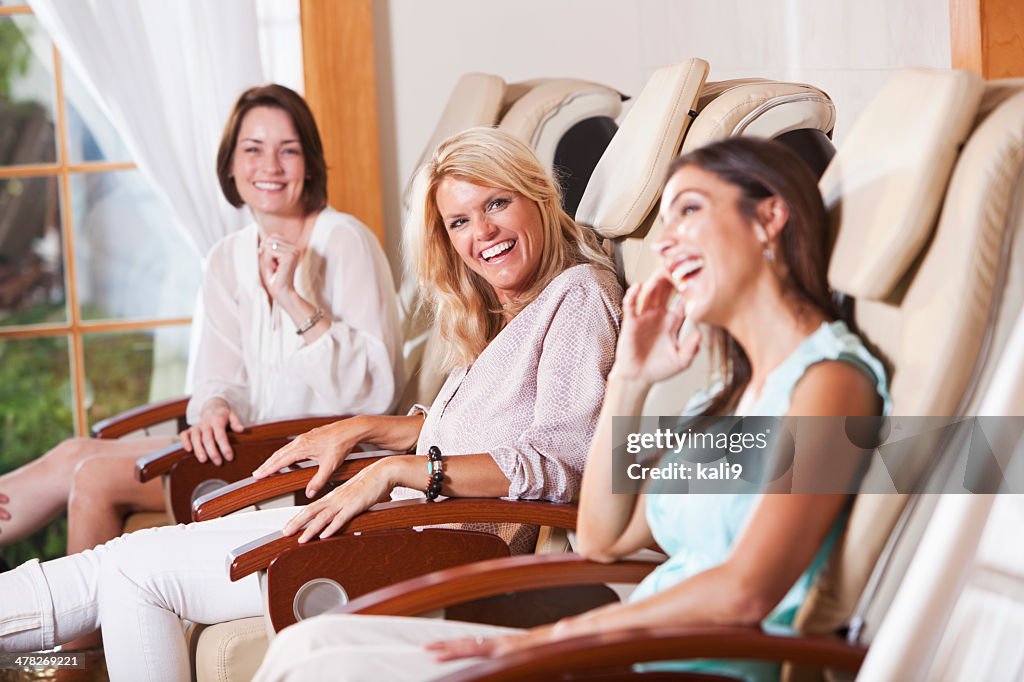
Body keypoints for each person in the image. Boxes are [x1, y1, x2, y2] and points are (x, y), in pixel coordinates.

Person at [250, 137, 892, 682]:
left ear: (769, 218)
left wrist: (550, 640)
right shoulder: (724, 401)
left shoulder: (829, 384)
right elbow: (609, 534)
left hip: (676, 661)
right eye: (664, 223)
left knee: (321, 661)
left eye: (689, 211)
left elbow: (745, 591)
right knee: (310, 646)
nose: (665, 244)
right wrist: (632, 380)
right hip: (626, 650)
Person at [0, 127, 622, 681]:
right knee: (124, 565)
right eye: (459, 221)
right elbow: (482, 425)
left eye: (496, 204)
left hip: (427, 544)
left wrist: (403, 468)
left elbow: (562, 463)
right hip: (390, 520)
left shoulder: (577, 298)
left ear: (537, 195)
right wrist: (368, 431)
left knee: (137, 575)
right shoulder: (505, 313)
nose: (481, 233)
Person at [0, 84, 405, 558]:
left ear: (311, 163)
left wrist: (290, 297)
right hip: (250, 446)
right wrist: (214, 408)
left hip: (317, 468)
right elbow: (218, 377)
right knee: (72, 453)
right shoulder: (227, 259)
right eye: (252, 149)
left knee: (92, 475)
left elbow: (374, 393)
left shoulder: (345, 242)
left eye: (288, 151)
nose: (270, 166)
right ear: (231, 165)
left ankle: (76, 637)